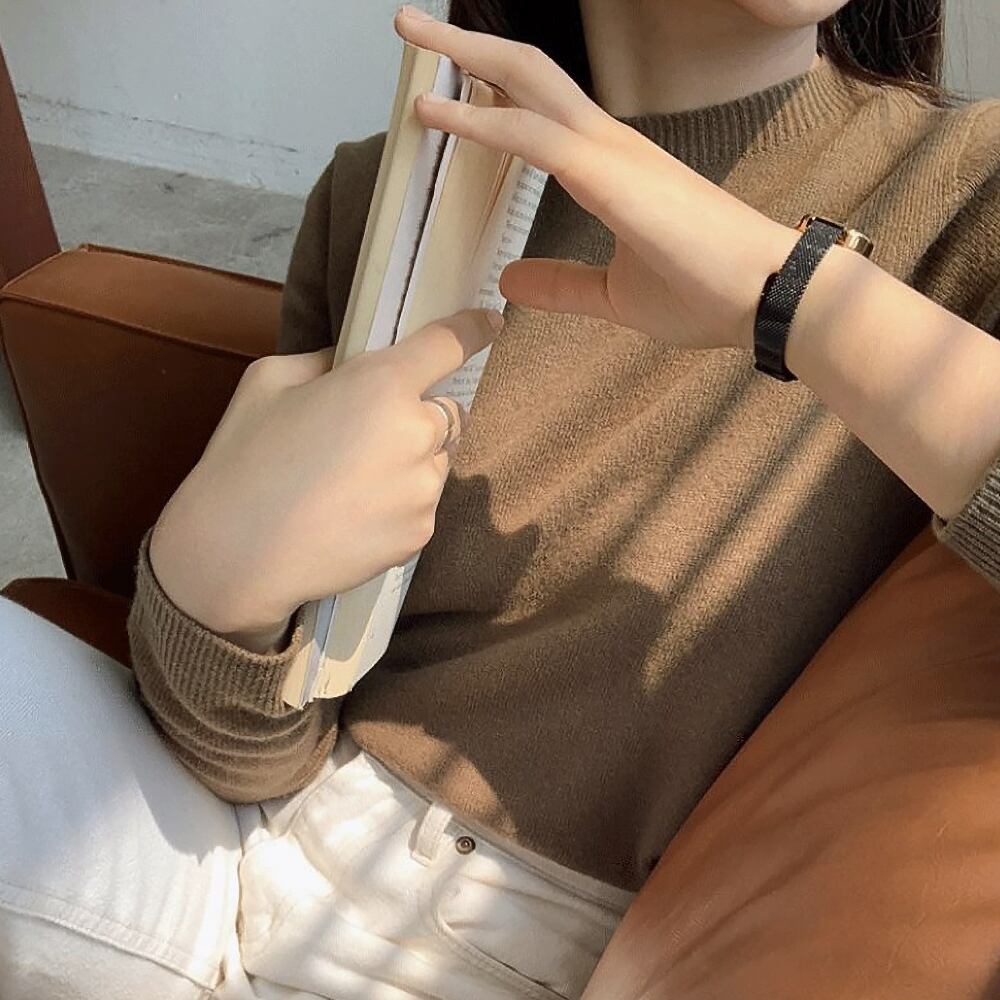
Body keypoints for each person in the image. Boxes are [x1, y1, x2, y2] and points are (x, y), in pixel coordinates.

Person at [3, 2, 1000, 997]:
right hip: (237, 850)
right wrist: (209, 590)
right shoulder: (396, 188)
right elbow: (258, 753)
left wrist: (792, 296)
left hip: (548, 955)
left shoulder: (970, 190)